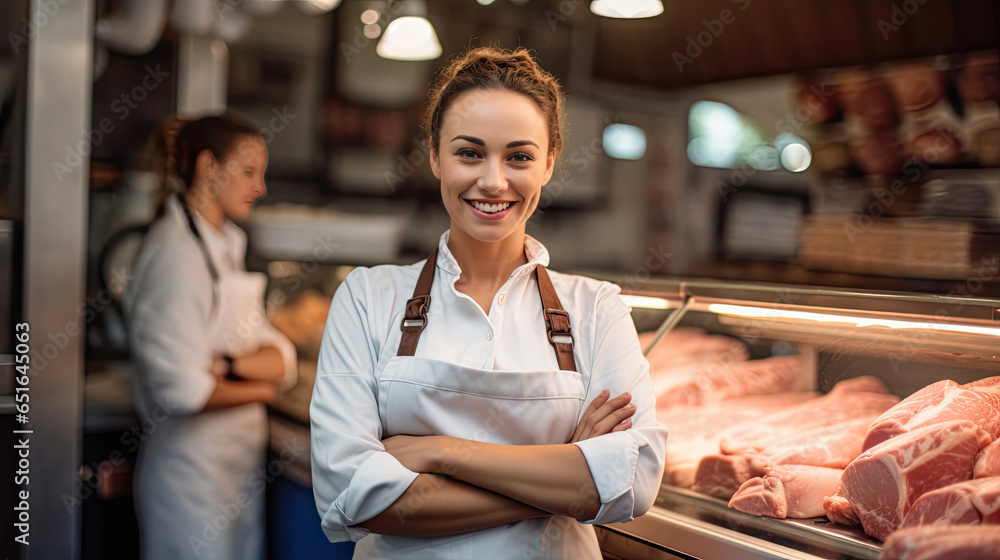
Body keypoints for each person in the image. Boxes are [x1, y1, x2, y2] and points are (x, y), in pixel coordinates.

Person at [309, 47, 668, 559]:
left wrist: (441, 452)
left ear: (549, 162)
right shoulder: (367, 297)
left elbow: (631, 481)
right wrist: (565, 471)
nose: (494, 181)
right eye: (469, 153)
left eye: (518, 156)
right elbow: (357, 496)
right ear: (435, 155)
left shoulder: (598, 308)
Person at [124, 114, 297, 560]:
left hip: (235, 475)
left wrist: (227, 367)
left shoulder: (226, 245)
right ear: (208, 167)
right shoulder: (174, 256)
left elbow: (281, 354)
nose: (260, 187)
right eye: (247, 172)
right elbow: (184, 391)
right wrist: (262, 389)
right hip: (190, 479)